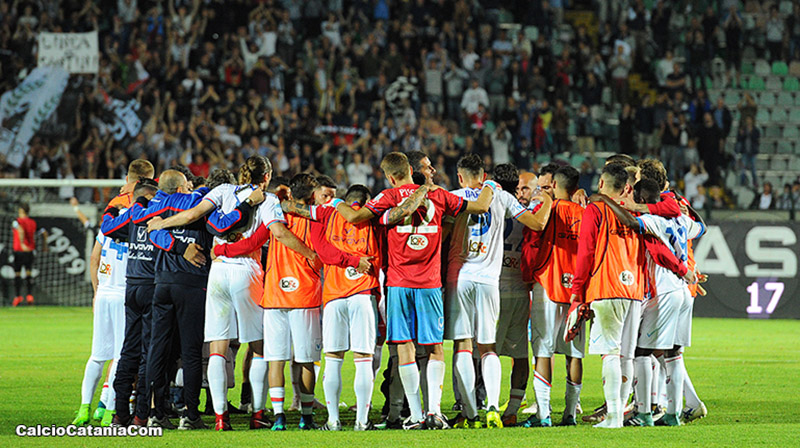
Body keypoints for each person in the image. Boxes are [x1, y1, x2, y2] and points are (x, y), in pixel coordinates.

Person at [331, 152, 495, 429]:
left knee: (404, 347)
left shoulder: (387, 197)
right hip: (430, 282)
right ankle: (434, 413)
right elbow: (480, 206)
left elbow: (356, 217)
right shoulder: (439, 195)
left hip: (398, 282)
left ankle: (416, 415)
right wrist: (490, 185)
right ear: (410, 168)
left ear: (389, 176)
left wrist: (335, 201)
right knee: (434, 348)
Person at [146, 157, 296, 431]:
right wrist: (310, 254)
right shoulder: (268, 199)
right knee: (258, 347)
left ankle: (219, 418)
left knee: (218, 348)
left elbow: (191, 215)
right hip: (247, 271)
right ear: (267, 176)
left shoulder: (223, 190)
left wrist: (161, 225)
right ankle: (257, 414)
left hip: (217, 271)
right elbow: (278, 232)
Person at [444, 155, 552, 429]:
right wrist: (549, 200)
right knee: (488, 347)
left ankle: (470, 412)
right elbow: (536, 223)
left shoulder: (453, 197)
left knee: (463, 346)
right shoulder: (503, 198)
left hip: (461, 277)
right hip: (491, 281)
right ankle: (493, 407)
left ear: (460, 177)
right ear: (483, 175)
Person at [597, 178, 704, 427]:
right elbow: (702, 227)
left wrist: (604, 200)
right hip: (683, 291)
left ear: (642, 199)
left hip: (664, 290)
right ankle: (673, 414)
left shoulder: (654, 220)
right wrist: (686, 207)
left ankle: (644, 413)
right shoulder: (681, 220)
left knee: (641, 352)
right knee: (673, 354)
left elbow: (632, 222)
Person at [285, 184, 381, 431]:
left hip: (334, 294)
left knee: (333, 359)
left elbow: (323, 251)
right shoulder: (373, 216)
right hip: (362, 292)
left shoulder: (325, 214)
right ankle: (362, 421)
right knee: (364, 358)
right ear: (366, 201)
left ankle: (333, 420)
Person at [569, 163, 648, 429]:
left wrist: (577, 292)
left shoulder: (596, 209)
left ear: (601, 184)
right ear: (626, 188)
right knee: (626, 356)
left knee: (610, 354)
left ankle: (613, 416)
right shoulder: (635, 211)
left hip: (606, 287)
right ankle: (620, 414)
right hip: (634, 290)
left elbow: (586, 252)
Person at [523, 165, 585, 428]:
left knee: (543, 352)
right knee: (575, 354)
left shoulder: (546, 209)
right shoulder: (586, 214)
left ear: (556, 185)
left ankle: (544, 415)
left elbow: (532, 237)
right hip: (576, 293)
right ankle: (570, 414)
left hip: (547, 285)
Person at [11, 203, 42, 306]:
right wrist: (45, 245)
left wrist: (22, 244)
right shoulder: (33, 222)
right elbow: (44, 233)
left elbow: (20, 230)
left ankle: (17, 296)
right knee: (28, 273)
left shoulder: (17, 221)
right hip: (30, 251)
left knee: (17, 274)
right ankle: (29, 296)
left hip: (19, 251)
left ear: (21, 211)